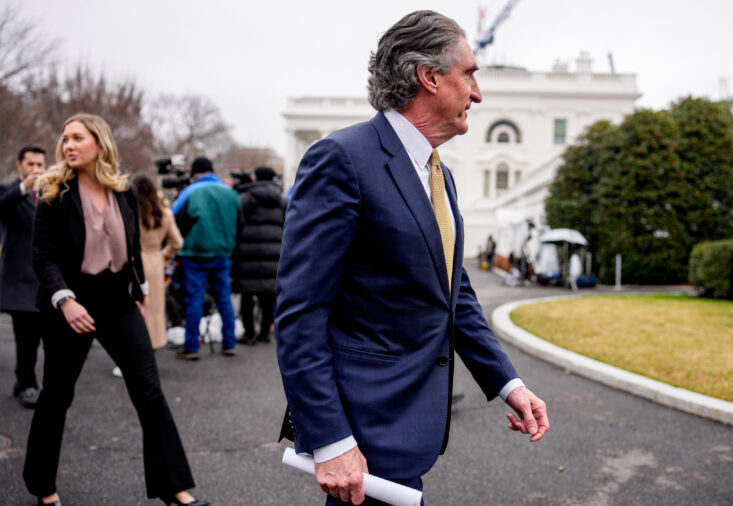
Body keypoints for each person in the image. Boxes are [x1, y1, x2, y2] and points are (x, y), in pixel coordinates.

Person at [276, 11, 549, 505]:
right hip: (361, 434)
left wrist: (509, 383)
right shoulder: (340, 159)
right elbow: (299, 313)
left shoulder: (438, 174)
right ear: (429, 77)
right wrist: (332, 440)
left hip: (410, 431)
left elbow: (453, 294)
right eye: (469, 73)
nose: (478, 93)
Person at [23, 113, 207, 506]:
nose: (69, 145)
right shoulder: (52, 191)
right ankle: (43, 487)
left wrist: (139, 288)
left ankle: (173, 487)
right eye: (65, 138)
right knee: (57, 396)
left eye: (78, 138)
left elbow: (133, 244)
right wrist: (65, 300)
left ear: (100, 144)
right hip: (69, 303)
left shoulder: (123, 191)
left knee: (149, 392)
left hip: (117, 301)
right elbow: (43, 257)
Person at [170, 157, 241, 360]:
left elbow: (174, 220)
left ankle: (191, 346)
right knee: (224, 298)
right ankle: (229, 343)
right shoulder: (230, 193)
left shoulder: (190, 192)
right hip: (222, 252)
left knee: (195, 298)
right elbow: (239, 222)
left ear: (196, 174)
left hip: (195, 253)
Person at [0, 145, 45, 408]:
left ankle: (30, 382)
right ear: (20, 166)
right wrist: (23, 188)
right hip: (20, 278)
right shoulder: (8, 191)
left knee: (45, 338)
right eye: (31, 164)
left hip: (47, 279)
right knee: (26, 338)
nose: (37, 170)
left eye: (40, 165)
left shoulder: (51, 193)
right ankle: (26, 383)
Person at [233, 166, 285, 345]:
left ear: (255, 178)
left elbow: (236, 223)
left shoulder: (245, 198)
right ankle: (264, 332)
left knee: (247, 296)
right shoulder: (280, 200)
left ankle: (249, 333)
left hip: (248, 254)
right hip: (273, 255)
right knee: (268, 297)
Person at [134, 173, 183, 349]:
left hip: (133, 262)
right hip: (155, 262)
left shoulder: (130, 213)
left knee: (134, 309)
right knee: (154, 308)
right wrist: (164, 257)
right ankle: (152, 345)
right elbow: (177, 242)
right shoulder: (163, 214)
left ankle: (134, 349)